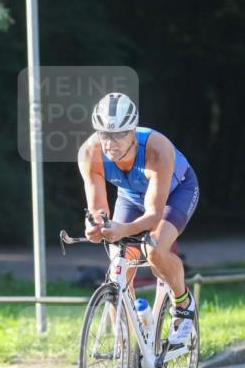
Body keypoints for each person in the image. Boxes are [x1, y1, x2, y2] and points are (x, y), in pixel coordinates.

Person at [78, 92, 200, 345]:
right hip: (131, 196)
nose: (110, 143)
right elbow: (98, 209)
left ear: (132, 130)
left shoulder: (157, 149)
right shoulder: (90, 153)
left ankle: (183, 304)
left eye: (119, 134)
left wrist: (123, 229)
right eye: (104, 134)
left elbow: (154, 215)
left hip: (176, 193)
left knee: (154, 248)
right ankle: (124, 349)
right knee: (117, 269)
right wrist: (95, 225)